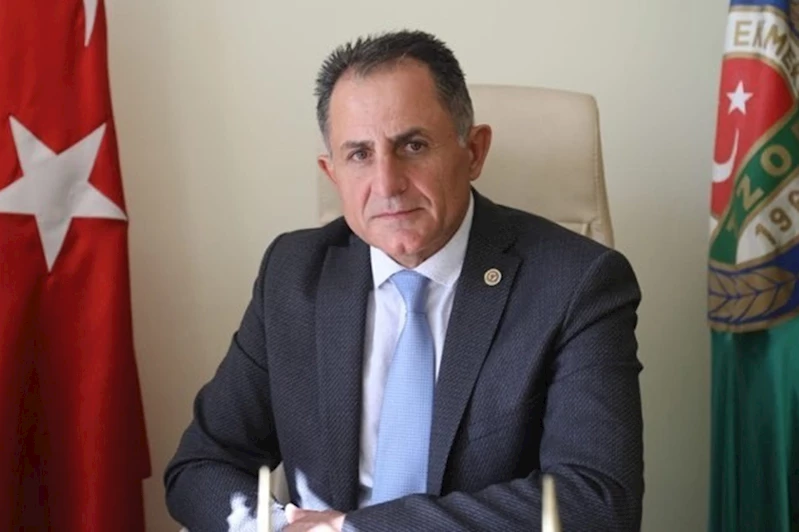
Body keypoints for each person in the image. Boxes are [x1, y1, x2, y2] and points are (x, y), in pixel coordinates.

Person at [164, 29, 644, 532]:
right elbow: (201, 466)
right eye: (359, 154)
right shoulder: (293, 273)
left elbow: (596, 499)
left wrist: (351, 530)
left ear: (474, 151)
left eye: (413, 145)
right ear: (332, 173)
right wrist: (282, 527)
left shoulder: (577, 283)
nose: (387, 184)